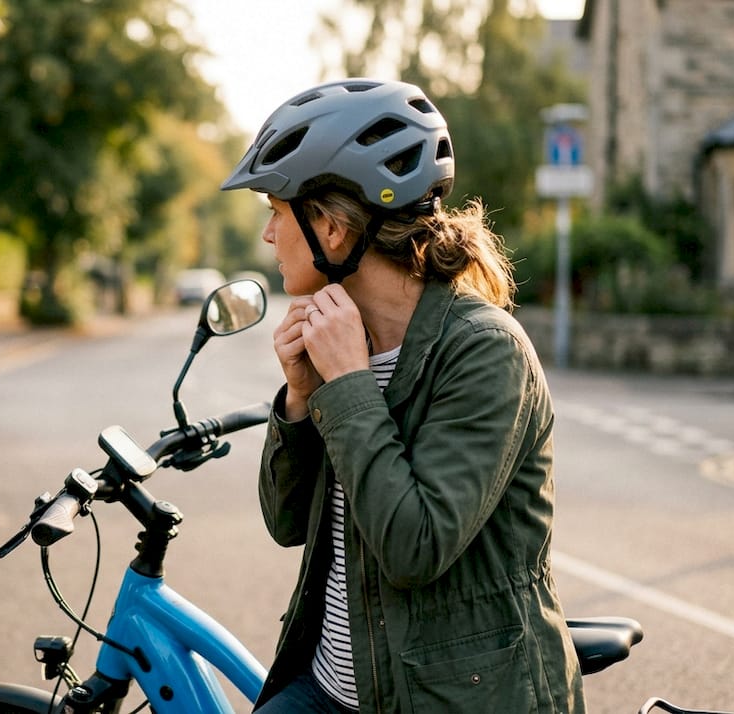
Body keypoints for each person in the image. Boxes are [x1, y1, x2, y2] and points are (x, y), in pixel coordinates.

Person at [220, 79, 586, 712]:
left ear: (331, 229)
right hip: (332, 688)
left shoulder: (484, 351)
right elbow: (285, 524)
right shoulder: (341, 341)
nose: (267, 236)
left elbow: (413, 548)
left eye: (276, 212)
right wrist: (302, 399)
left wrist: (352, 387)